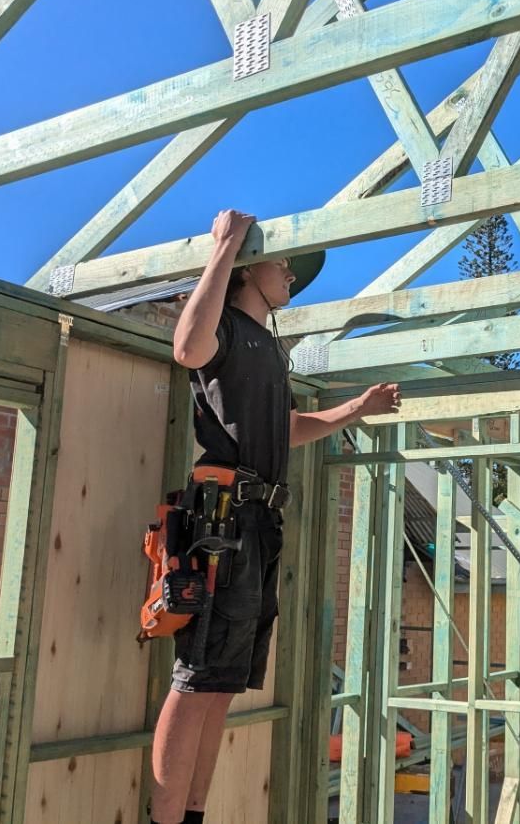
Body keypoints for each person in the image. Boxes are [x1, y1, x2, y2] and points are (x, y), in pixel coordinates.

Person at [150, 209, 401, 824]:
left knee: (221, 685)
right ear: (244, 269)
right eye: (281, 260)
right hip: (223, 521)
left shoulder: (269, 349)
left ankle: (192, 816)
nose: (291, 271)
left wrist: (357, 409)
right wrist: (227, 244)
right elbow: (187, 346)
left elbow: (288, 429)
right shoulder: (226, 329)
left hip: (258, 524)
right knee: (195, 677)